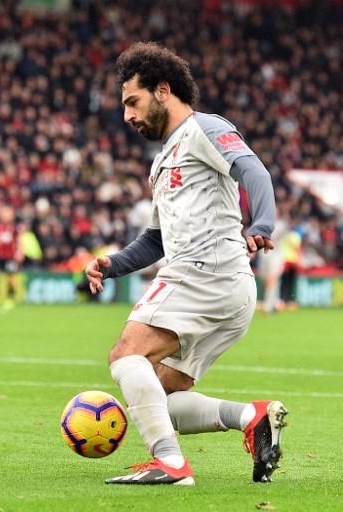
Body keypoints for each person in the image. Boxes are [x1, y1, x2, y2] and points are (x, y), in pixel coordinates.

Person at [84, 43, 287, 486]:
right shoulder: (162, 162)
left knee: (125, 355)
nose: (127, 116)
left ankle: (170, 464)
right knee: (156, 392)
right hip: (224, 286)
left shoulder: (204, 129)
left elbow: (255, 173)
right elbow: (156, 239)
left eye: (132, 102)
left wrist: (263, 223)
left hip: (204, 271)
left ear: (162, 90)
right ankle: (251, 417)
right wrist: (112, 263)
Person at [0, 205, 23, 311]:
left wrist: (20, 252)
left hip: (10, 257)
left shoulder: (15, 228)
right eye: (4, 213)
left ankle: (9, 299)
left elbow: (19, 241)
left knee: (11, 279)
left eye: (8, 213)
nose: (6, 215)